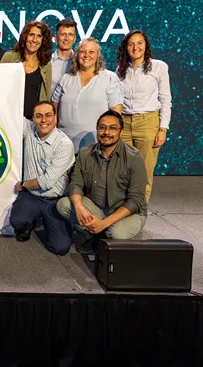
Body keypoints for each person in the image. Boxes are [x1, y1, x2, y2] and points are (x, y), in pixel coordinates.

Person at [56, 110, 149, 252]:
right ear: (97, 129)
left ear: (121, 132)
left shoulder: (134, 157)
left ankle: (98, 232)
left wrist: (104, 223)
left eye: (113, 128)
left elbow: (136, 200)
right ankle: (95, 231)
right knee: (64, 205)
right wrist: (79, 207)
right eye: (102, 127)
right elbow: (76, 184)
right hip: (97, 207)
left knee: (116, 233)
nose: (107, 132)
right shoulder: (85, 153)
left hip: (125, 212)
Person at [8, 101, 75, 255]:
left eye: (48, 115)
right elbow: (11, 113)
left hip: (54, 200)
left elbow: (46, 182)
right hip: (32, 196)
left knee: (60, 248)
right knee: (17, 220)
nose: (43, 120)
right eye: (38, 116)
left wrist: (24, 184)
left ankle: (50, 221)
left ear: (55, 118)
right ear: (33, 119)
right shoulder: (29, 130)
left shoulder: (65, 145)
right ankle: (28, 223)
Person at [116, 30, 171, 202]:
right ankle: (122, 209)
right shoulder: (120, 69)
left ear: (146, 46)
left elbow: (165, 98)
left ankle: (139, 210)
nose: (135, 47)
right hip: (124, 122)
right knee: (123, 169)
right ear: (126, 47)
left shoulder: (159, 67)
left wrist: (163, 128)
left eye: (139, 43)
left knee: (144, 170)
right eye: (131, 44)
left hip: (148, 122)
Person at [51, 37, 123, 152]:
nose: (86, 55)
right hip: (64, 146)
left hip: (96, 147)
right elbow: (54, 110)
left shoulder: (109, 78)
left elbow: (116, 113)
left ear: (98, 55)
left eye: (91, 52)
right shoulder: (66, 79)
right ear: (77, 55)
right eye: (83, 51)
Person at [1, 21, 54, 119]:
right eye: (31, 35)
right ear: (25, 37)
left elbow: (46, 95)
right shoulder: (9, 57)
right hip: (10, 117)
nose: (34, 40)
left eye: (39, 36)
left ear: (43, 40)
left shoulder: (45, 64)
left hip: (33, 121)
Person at [52, 18, 76, 87]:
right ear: (56, 38)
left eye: (70, 34)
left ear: (74, 38)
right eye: (63, 34)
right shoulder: (46, 63)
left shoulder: (80, 63)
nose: (67, 38)